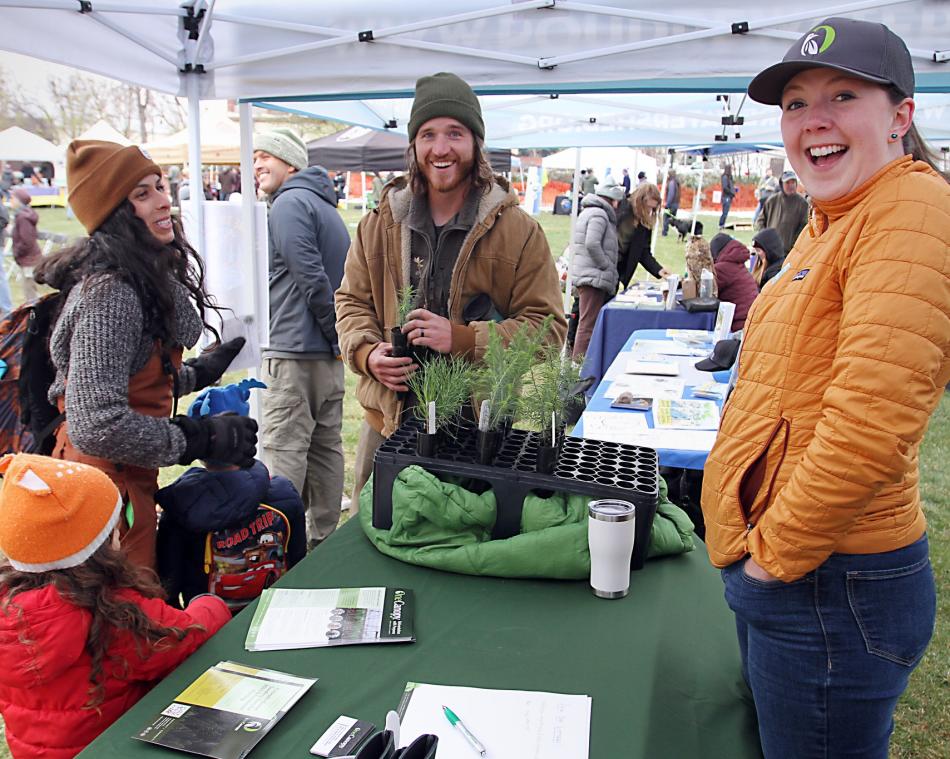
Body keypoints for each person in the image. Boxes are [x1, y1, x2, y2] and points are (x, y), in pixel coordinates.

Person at [702, 17, 948, 759]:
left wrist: (774, 557)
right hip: (809, 576)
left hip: (827, 582)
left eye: (843, 95)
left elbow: (871, 419)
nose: (815, 120)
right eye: (796, 103)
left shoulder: (910, 208)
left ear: (900, 116)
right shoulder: (834, 217)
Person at [336, 72, 566, 502]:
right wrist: (368, 354)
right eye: (428, 134)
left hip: (479, 432)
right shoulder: (379, 225)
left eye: (455, 134)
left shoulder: (518, 231)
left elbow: (548, 327)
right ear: (414, 145)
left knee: (466, 547)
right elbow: (351, 301)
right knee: (376, 549)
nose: (441, 149)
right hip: (387, 424)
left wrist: (463, 339)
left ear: (476, 143)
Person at [35, 140, 257, 571]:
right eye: (142, 194)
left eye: (159, 186)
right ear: (115, 214)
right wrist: (197, 438)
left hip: (123, 478)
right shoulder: (111, 296)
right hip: (97, 488)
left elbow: (130, 373)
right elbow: (96, 423)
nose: (163, 200)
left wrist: (195, 375)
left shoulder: (140, 278)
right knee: (122, 615)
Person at [0, 452, 230, 759]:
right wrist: (208, 603)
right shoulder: (114, 612)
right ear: (102, 546)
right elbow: (187, 636)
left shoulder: (7, 608)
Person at [253, 128, 349, 549]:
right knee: (326, 451)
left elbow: (311, 278)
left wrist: (336, 333)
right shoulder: (326, 207)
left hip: (295, 354)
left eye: (265, 156)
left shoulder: (289, 204)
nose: (256, 164)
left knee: (284, 455)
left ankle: (280, 553)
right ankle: (322, 544)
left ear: (290, 163)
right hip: (326, 357)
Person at [156, 379, 307, 608]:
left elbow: (168, 586)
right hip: (272, 615)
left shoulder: (179, 509)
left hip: (208, 626)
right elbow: (298, 567)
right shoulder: (284, 494)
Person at [570, 182, 624, 359]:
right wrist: (605, 265)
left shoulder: (589, 212)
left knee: (585, 323)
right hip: (593, 277)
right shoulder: (599, 215)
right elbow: (592, 243)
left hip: (588, 274)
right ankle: (579, 368)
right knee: (587, 326)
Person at [615, 182, 673, 291]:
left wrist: (658, 270)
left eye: (652, 208)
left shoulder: (644, 223)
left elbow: (643, 252)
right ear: (639, 201)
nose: (649, 211)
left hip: (616, 272)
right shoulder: (620, 209)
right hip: (601, 268)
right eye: (647, 207)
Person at [709, 233, 758, 332]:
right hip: (751, 320)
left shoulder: (723, 268)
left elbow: (705, 293)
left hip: (739, 324)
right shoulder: (737, 264)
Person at [754, 169, 809, 255]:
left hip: (790, 252)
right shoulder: (772, 201)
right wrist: (765, 238)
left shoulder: (803, 204)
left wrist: (794, 245)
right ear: (781, 184)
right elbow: (760, 221)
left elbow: (804, 227)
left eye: (793, 182)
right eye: (787, 183)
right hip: (770, 251)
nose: (791, 185)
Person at [10, 188, 42, 302]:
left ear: (19, 201)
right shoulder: (22, 215)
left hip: (28, 258)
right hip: (28, 257)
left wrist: (17, 252)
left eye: (12, 198)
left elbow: (26, 240)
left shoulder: (23, 218)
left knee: (30, 292)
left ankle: (34, 316)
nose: (10, 201)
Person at [661, 170, 680, 236]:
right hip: (676, 204)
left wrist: (667, 204)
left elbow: (671, 194)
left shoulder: (671, 183)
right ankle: (679, 231)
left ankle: (664, 233)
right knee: (673, 220)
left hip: (671, 204)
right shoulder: (676, 182)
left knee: (666, 217)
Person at [718, 164, 736, 229]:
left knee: (726, 212)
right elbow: (725, 188)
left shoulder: (729, 178)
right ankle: (721, 224)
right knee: (725, 212)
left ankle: (722, 224)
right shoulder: (725, 177)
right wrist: (731, 193)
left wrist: (734, 190)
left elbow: (730, 186)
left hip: (729, 197)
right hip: (726, 197)